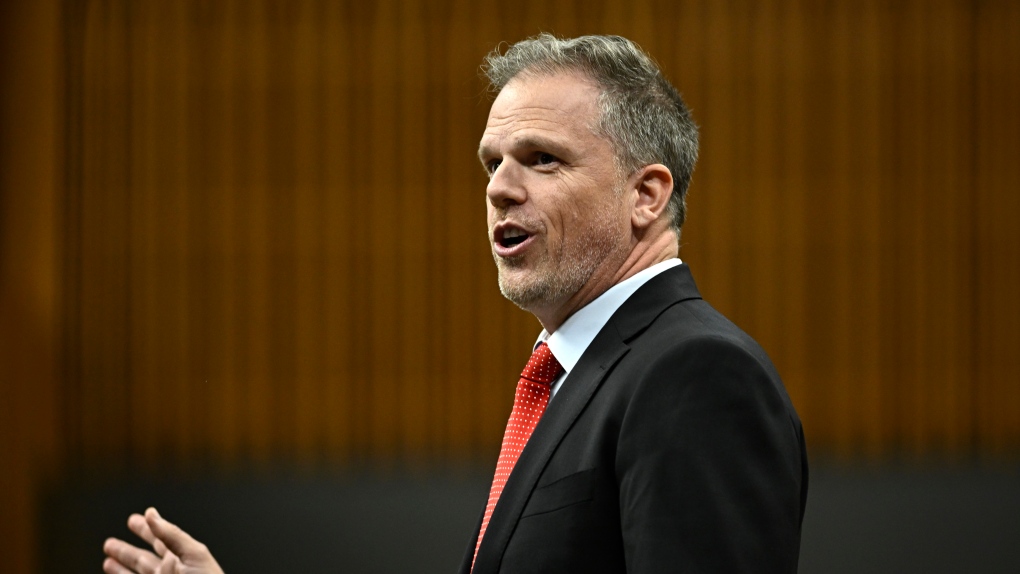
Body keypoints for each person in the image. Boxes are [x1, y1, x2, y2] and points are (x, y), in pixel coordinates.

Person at [102, 34, 807, 574]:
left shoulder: (694, 372)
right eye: (492, 163)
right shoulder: (579, 375)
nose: (498, 187)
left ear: (646, 195)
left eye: (542, 159)